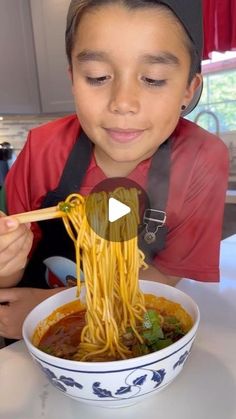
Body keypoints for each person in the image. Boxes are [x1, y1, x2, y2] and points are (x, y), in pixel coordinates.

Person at [0, 0, 229, 340]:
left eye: (153, 79)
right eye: (97, 77)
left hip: (130, 327)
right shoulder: (43, 149)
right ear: (73, 79)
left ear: (188, 89)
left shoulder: (202, 159)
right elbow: (9, 281)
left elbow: (165, 275)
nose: (123, 102)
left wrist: (54, 307)